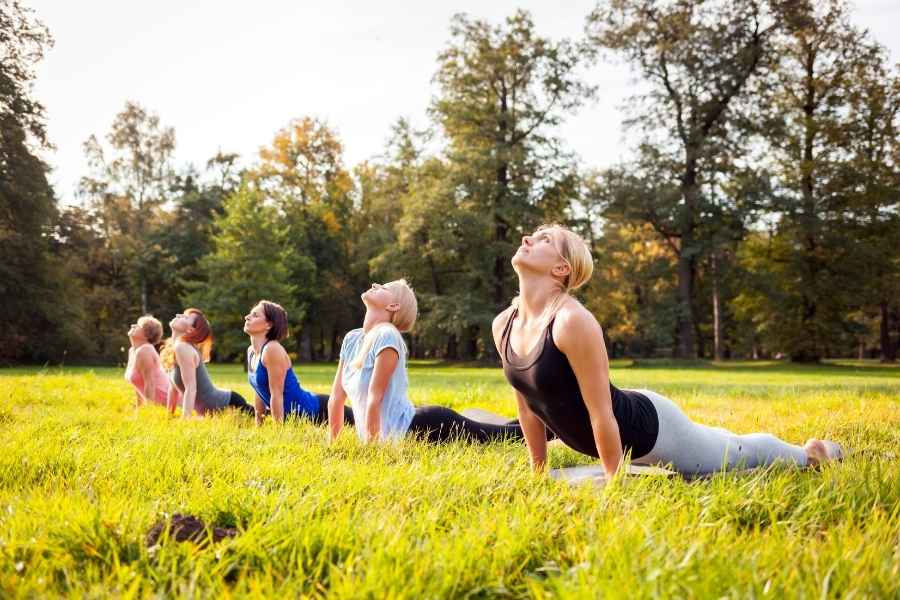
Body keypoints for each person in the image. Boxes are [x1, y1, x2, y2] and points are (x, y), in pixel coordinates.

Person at [493, 224, 844, 477]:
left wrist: (614, 484)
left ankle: (810, 453)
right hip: (623, 426)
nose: (527, 238)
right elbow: (527, 406)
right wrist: (537, 474)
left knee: (736, 454)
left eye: (543, 240)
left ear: (562, 268)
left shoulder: (573, 322)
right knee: (724, 443)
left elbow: (601, 413)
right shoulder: (504, 324)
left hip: (650, 431)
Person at [328, 279, 529, 444]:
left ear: (393, 305)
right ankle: (536, 422)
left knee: (506, 437)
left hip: (424, 426)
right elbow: (336, 399)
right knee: (501, 432)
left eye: (383, 287)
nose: (374, 285)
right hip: (411, 423)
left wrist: (371, 451)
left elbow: (375, 398)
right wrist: (333, 445)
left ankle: (553, 425)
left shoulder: (387, 336)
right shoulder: (352, 339)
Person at [244, 299, 354, 427]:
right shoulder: (251, 351)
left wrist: (278, 432)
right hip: (303, 410)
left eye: (255, 315)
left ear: (269, 325)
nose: (247, 317)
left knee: (361, 421)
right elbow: (259, 391)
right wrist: (259, 426)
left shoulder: (272, 349)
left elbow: (276, 395)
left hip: (315, 411)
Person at [161, 308, 255, 418]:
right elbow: (173, 388)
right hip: (213, 409)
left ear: (191, 330)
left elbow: (191, 388)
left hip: (228, 404)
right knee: (262, 414)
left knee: (264, 416)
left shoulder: (183, 348)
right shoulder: (176, 347)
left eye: (186, 317)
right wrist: (169, 416)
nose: (178, 314)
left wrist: (185, 419)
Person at [125, 315, 177, 407]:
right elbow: (138, 385)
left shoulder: (145, 351)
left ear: (147, 335)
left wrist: (148, 412)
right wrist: (138, 410)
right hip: (157, 403)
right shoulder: (132, 351)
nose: (133, 325)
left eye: (138, 326)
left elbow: (150, 384)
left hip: (167, 403)